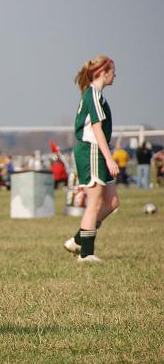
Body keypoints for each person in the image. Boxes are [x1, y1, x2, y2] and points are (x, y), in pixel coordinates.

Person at [63, 55, 119, 263]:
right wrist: (109, 158)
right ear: (102, 73)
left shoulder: (97, 95)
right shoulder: (93, 95)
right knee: (94, 203)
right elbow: (96, 129)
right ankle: (86, 254)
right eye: (113, 70)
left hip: (98, 151)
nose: (116, 75)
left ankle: (78, 239)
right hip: (91, 151)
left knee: (112, 202)